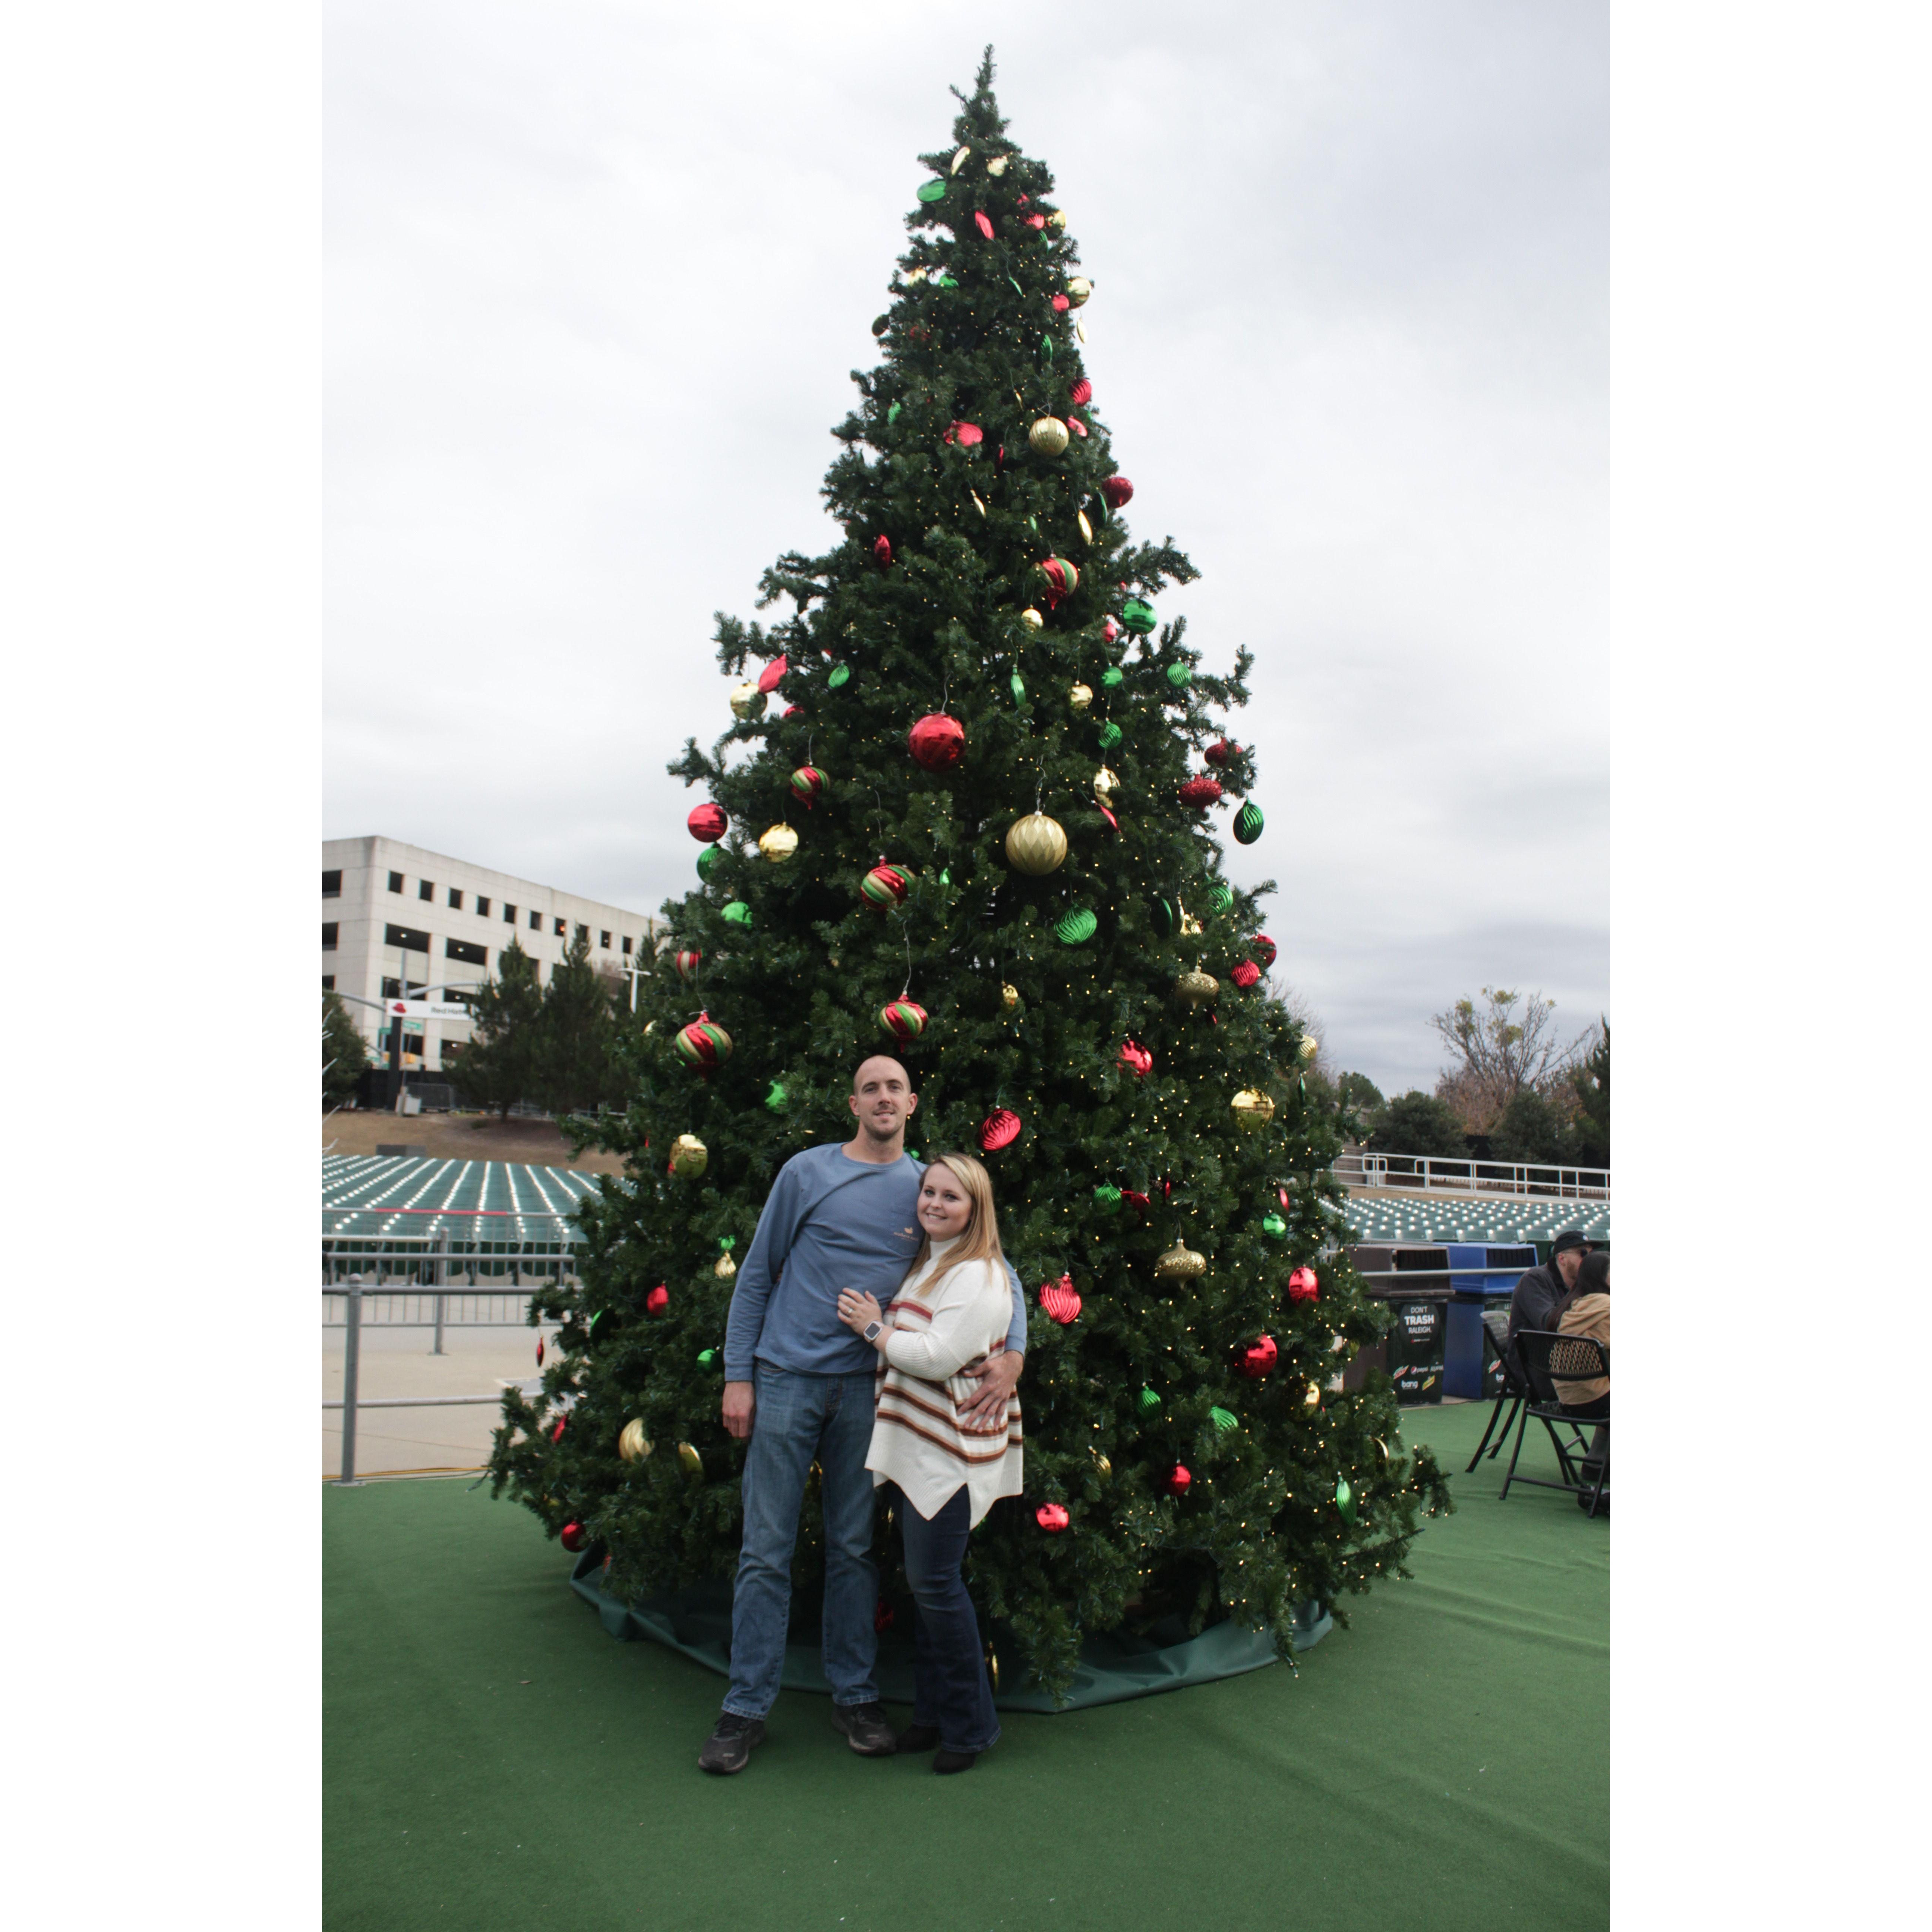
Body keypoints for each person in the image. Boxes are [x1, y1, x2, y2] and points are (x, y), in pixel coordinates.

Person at [697, 1055, 1027, 1776]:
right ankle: (745, 1705)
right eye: (870, 1087)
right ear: (854, 1101)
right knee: (764, 1548)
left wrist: (1015, 1354)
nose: (883, 1097)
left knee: (852, 1548)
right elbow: (757, 1273)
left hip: (870, 1396)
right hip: (785, 1379)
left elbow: (999, 1266)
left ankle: (854, 1696)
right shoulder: (805, 1173)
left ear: (911, 1102)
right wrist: (738, 1374)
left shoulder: (926, 1186)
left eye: (895, 1088)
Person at [836, 1152, 1023, 1775]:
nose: (935, 1204)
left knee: (937, 1586)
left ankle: (973, 1725)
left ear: (976, 1209)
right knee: (925, 1588)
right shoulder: (933, 1262)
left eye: (951, 1197)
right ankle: (932, 1714)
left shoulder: (979, 1275)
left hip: (949, 1457)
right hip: (916, 1448)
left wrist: (873, 1330)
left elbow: (938, 1355)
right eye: (929, 1191)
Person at [1506, 1230, 1590, 1400]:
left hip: (1568, 1364)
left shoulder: (1583, 1285)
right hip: (1536, 1370)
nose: (1588, 1260)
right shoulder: (1535, 1279)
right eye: (1583, 1254)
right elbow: (1550, 1325)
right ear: (1562, 1258)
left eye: (1591, 1255)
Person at [1555, 1249, 1609, 1507]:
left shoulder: (1575, 1307)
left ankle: (1596, 1464)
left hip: (1567, 1400)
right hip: (1595, 1400)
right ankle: (1598, 1464)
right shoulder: (1608, 1307)